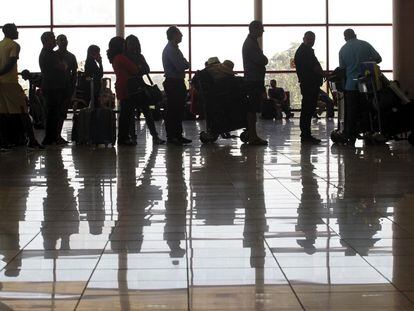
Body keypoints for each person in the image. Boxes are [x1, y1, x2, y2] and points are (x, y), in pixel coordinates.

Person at [0, 23, 43, 149]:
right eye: (15, 30)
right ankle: (32, 141)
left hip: (1, 83)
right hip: (11, 83)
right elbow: (10, 64)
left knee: (2, 114)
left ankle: (4, 143)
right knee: (23, 112)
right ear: (10, 31)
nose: (17, 32)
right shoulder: (14, 45)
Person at [339, 28, 382, 144]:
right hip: (366, 84)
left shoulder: (343, 49)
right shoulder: (365, 45)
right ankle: (368, 132)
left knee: (351, 110)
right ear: (355, 35)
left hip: (351, 85)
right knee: (367, 108)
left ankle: (350, 134)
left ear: (345, 37)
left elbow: (342, 69)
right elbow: (379, 59)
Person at [125, 34, 165, 145]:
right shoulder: (137, 57)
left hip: (135, 87)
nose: (133, 46)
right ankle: (154, 136)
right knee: (146, 112)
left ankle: (134, 137)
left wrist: (137, 69)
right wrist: (139, 68)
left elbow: (146, 69)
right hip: (137, 87)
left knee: (139, 113)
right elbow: (144, 69)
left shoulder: (129, 57)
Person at [162, 26, 191, 145]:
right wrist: (184, 64)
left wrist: (184, 64)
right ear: (174, 35)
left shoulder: (174, 49)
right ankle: (172, 136)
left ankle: (177, 135)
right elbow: (181, 65)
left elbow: (185, 64)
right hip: (174, 83)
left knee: (178, 110)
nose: (182, 36)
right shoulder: (171, 49)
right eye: (180, 34)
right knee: (174, 110)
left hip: (177, 82)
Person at [107, 36, 138, 145]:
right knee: (127, 114)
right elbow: (134, 69)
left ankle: (123, 137)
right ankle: (123, 137)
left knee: (125, 113)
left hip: (121, 86)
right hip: (127, 87)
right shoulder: (121, 57)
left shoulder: (115, 58)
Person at [294, 31, 324, 144]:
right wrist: (324, 74)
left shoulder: (304, 51)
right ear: (304, 38)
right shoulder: (305, 52)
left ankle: (306, 134)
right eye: (309, 39)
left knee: (308, 109)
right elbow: (314, 67)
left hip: (308, 85)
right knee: (307, 110)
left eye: (313, 39)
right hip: (309, 85)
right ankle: (306, 135)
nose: (311, 41)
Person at [242, 20, 268, 145]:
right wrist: (264, 58)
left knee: (253, 108)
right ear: (254, 29)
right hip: (253, 80)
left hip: (254, 79)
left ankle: (252, 134)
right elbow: (262, 60)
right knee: (252, 109)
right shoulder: (251, 44)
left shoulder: (252, 43)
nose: (263, 31)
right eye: (261, 28)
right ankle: (253, 136)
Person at [39, 31, 67, 145]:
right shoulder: (48, 54)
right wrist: (63, 65)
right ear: (47, 41)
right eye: (53, 38)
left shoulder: (48, 53)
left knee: (53, 113)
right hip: (52, 88)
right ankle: (50, 138)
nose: (55, 40)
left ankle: (52, 137)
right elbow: (62, 66)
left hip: (52, 87)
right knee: (52, 114)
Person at [56, 34, 77, 144]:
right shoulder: (53, 55)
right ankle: (54, 135)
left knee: (62, 112)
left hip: (66, 88)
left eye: (65, 40)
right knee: (55, 112)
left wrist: (72, 86)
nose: (64, 42)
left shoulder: (71, 57)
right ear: (57, 42)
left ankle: (57, 135)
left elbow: (74, 73)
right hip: (56, 88)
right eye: (62, 40)